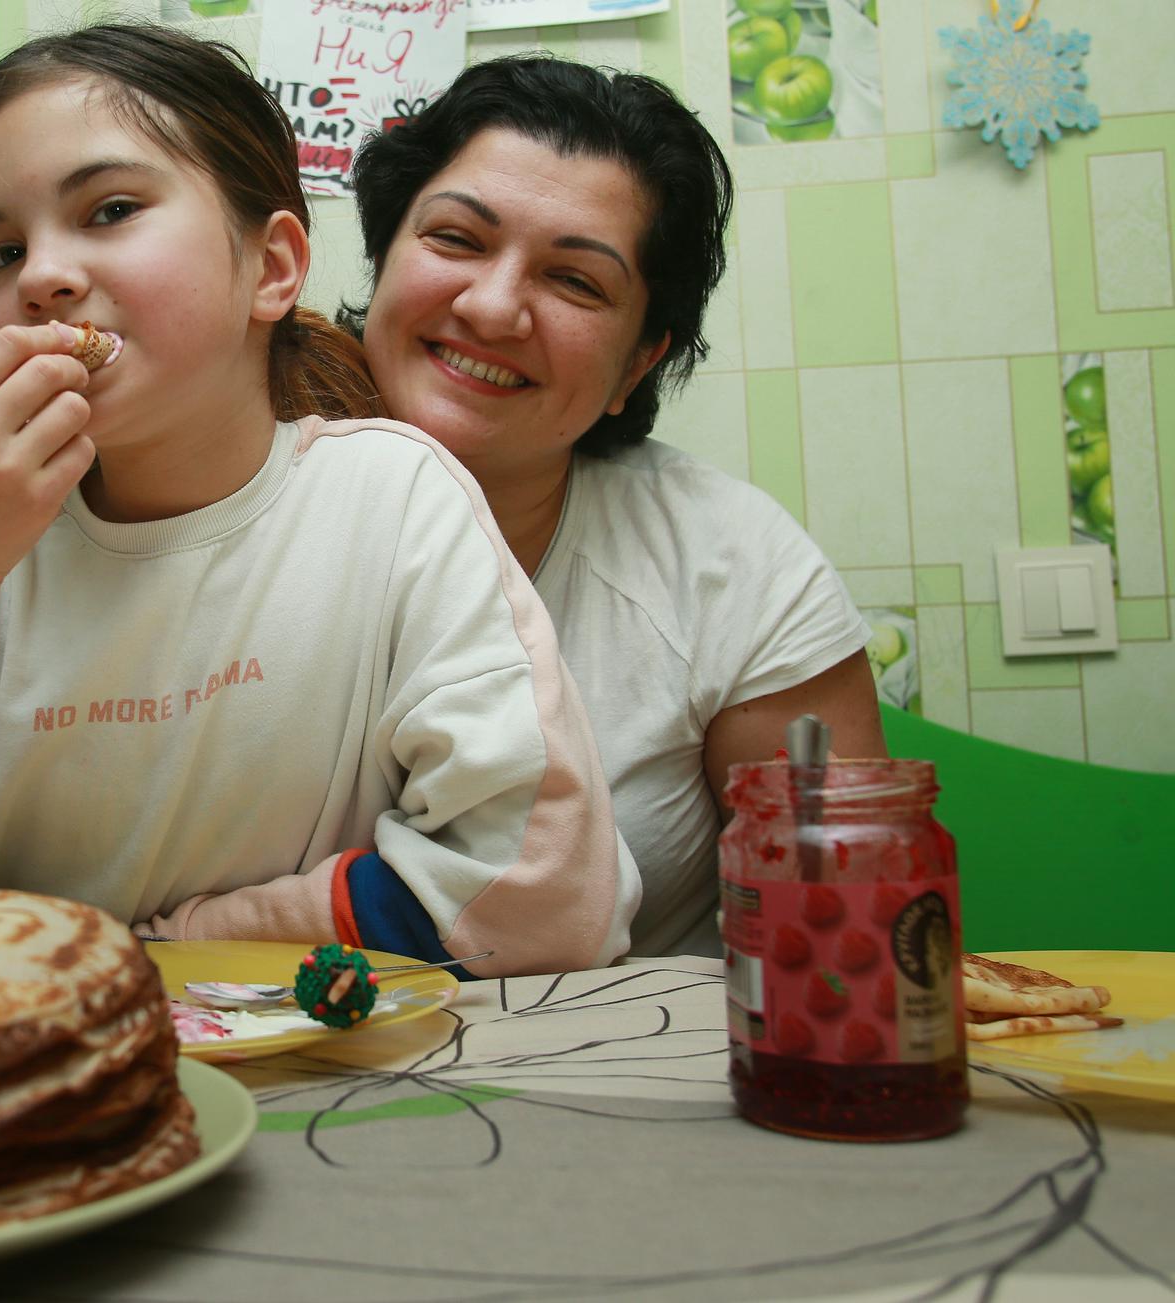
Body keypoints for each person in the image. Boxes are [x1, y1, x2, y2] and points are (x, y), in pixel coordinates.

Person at [0, 24, 640, 978]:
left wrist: (187, 941)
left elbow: (540, 895)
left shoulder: (396, 504)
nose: (42, 278)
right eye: (0, 251)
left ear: (271, 268)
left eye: (108, 209)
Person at [345, 56, 884, 957]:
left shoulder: (731, 563)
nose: (492, 306)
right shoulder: (206, 492)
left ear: (636, 362)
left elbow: (848, 951)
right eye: (456, 239)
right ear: (385, 253)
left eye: (576, 282)